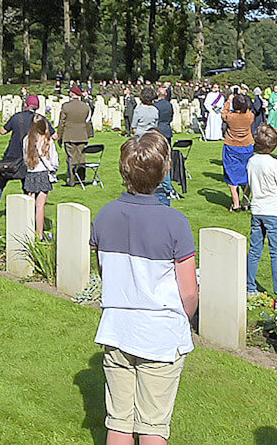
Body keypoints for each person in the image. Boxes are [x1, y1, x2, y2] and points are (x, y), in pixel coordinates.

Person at [90, 131, 199, 445]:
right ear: (165, 171)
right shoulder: (175, 222)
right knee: (153, 426)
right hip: (159, 333)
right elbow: (188, 291)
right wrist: (184, 317)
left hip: (117, 329)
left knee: (120, 423)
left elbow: (104, 271)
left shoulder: (104, 215)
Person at [246, 125, 277, 310]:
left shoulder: (251, 162)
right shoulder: (276, 165)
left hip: (257, 210)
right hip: (273, 212)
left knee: (255, 251)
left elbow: (249, 186)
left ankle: (249, 288)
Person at [0, 93, 38, 219]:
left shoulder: (17, 117)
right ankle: (31, 212)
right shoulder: (39, 119)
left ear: (26, 105)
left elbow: (3, 131)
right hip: (28, 158)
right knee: (28, 187)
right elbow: (53, 135)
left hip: (11, 157)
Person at [24, 114, 59, 240]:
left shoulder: (26, 140)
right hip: (43, 173)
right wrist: (54, 170)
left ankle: (28, 231)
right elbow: (54, 161)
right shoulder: (48, 141)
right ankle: (39, 234)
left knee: (30, 204)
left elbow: (24, 158)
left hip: (30, 172)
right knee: (40, 206)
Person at [222, 93, 255, 212]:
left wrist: (228, 101)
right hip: (247, 146)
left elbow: (224, 114)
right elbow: (249, 110)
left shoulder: (230, 117)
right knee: (248, 174)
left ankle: (236, 203)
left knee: (232, 174)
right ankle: (245, 202)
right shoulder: (250, 116)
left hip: (232, 146)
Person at [58, 83, 94, 186]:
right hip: (82, 135)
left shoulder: (66, 106)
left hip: (69, 135)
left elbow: (62, 123)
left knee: (71, 158)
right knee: (81, 158)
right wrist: (87, 135)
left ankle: (72, 180)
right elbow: (88, 122)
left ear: (72, 94)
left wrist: (59, 136)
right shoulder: (85, 107)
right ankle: (81, 179)